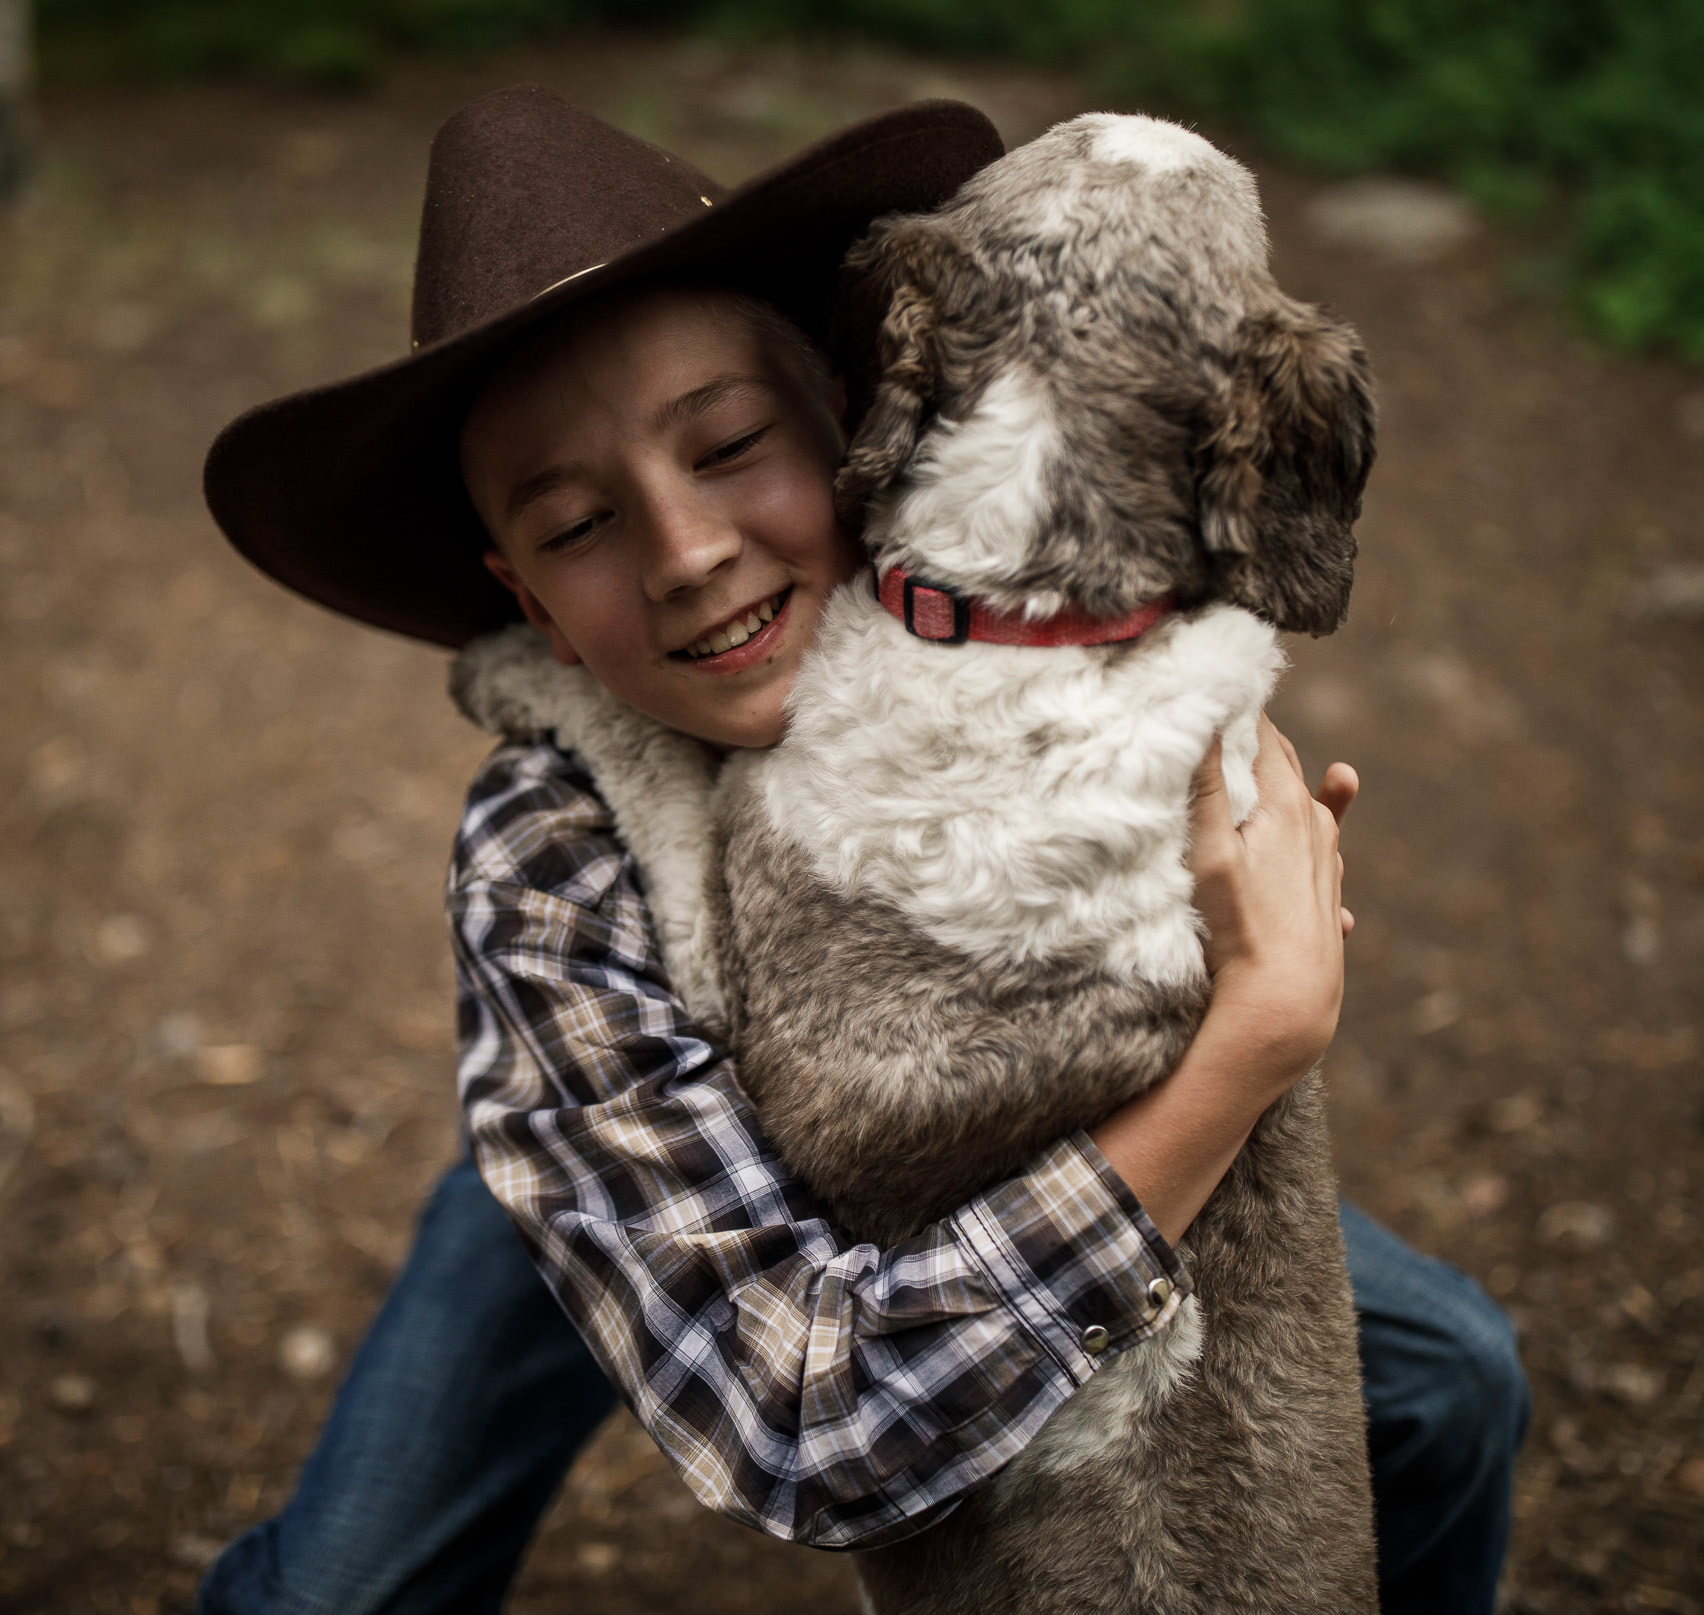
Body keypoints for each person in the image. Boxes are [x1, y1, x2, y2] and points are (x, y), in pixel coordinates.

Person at [198, 86, 1529, 1615]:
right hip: (643, 1114)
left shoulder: (1025, 637)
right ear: (532, 609)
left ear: (860, 410)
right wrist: (1247, 1051)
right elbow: (807, 1428)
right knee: (339, 1597)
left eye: (732, 446)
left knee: (1450, 1383)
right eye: (578, 529)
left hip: (989, 1103)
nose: (688, 552)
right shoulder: (547, 869)